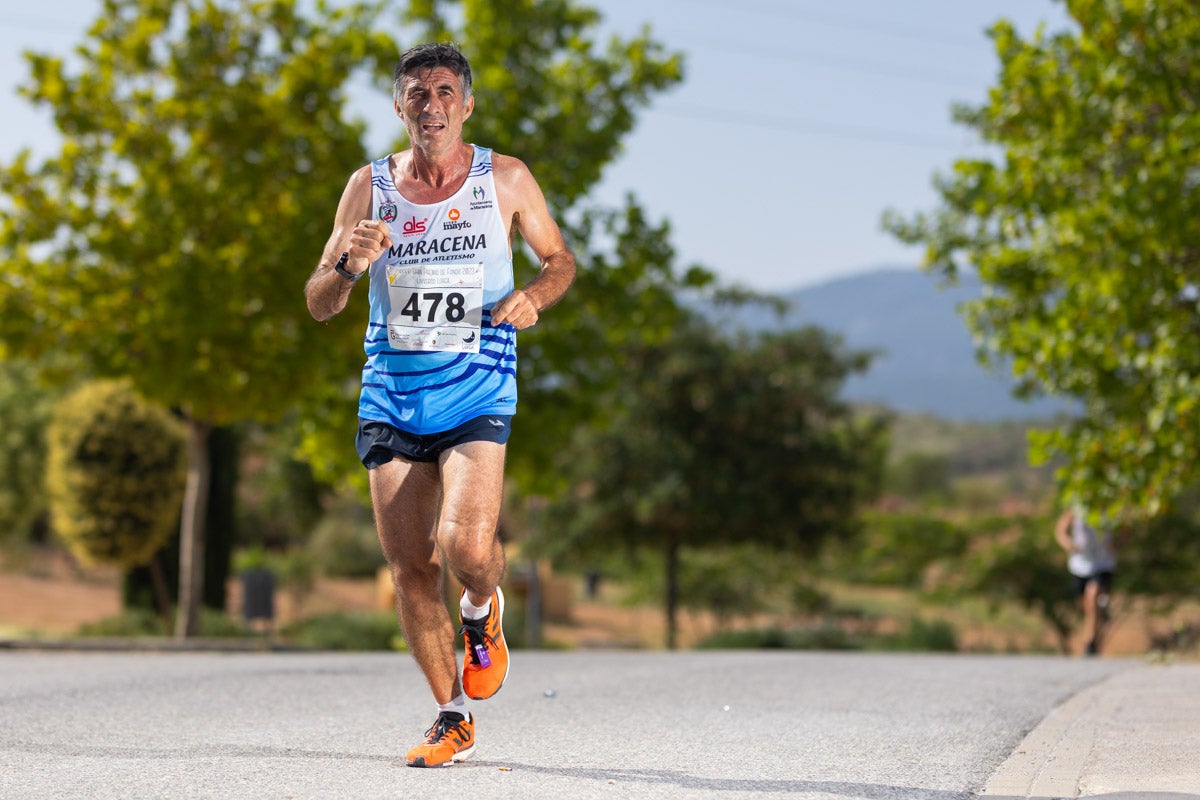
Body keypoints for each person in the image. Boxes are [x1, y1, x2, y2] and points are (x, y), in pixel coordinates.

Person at [304, 42, 575, 767]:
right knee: (410, 565)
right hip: (391, 394)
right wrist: (348, 265)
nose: (432, 105)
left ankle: (483, 609)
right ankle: (451, 713)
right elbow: (320, 303)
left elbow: (560, 260)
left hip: (478, 385)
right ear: (399, 107)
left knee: (464, 549)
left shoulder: (506, 179)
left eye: (445, 91)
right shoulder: (368, 187)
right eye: (417, 93)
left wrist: (534, 297)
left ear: (467, 104)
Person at [1054, 504, 1118, 656]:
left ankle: (1090, 641)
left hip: (1103, 563)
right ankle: (1100, 613)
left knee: (1093, 593)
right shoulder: (1077, 507)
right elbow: (1060, 530)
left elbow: (1126, 531)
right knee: (1085, 605)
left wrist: (1117, 545)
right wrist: (1068, 544)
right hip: (1080, 565)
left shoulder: (1112, 507)